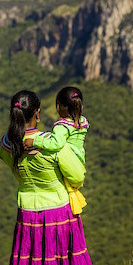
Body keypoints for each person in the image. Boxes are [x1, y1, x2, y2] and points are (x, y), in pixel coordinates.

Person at [0, 90, 97, 265]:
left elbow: (5, 156)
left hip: (27, 211)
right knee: (62, 262)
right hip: (58, 210)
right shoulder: (53, 144)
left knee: (27, 262)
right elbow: (77, 176)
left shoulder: (7, 143)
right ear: (38, 114)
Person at [23, 86, 88, 215]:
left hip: (69, 162)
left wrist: (35, 141)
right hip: (80, 159)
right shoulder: (82, 121)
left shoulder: (62, 127)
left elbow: (55, 144)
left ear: (58, 107)